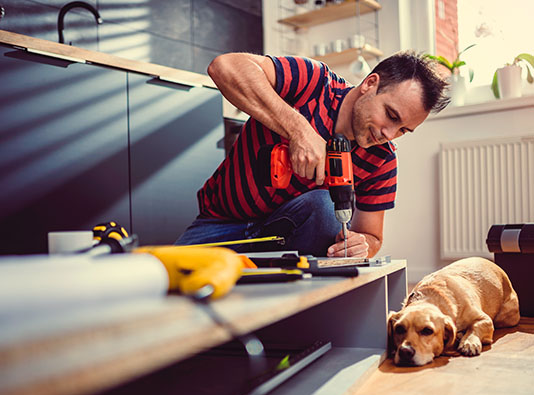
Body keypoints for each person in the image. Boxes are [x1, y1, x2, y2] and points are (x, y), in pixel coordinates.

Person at [175, 51, 449, 257]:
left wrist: (362, 244)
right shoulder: (313, 83)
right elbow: (224, 67)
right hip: (222, 221)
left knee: (324, 207)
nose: (389, 134)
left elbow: (372, 235)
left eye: (403, 129)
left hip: (288, 246)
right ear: (370, 84)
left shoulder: (383, 160)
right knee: (162, 290)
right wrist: (298, 129)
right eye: (390, 115)